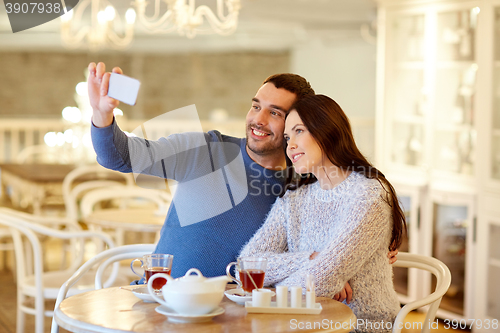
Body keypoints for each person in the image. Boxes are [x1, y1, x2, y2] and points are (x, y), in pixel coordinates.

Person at [87, 63, 396, 303]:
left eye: (274, 113)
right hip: (161, 301)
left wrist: (366, 257)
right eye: (256, 105)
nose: (258, 120)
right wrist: (103, 115)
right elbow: (121, 157)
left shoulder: (301, 189)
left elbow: (341, 241)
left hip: (236, 314)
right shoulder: (205, 150)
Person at [239, 94, 406, 331]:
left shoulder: (368, 194)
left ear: (327, 131)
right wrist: (310, 259)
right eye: (287, 137)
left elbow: (320, 280)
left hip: (359, 327)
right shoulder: (295, 198)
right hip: (301, 323)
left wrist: (269, 288)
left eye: (299, 131)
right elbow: (246, 265)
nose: (290, 146)